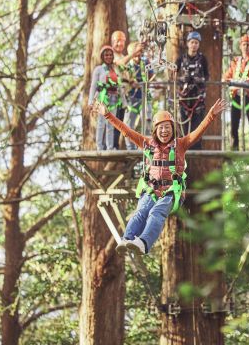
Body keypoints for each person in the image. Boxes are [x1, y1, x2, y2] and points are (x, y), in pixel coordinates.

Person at [92, 97, 227, 255]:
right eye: (161, 128)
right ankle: (127, 239)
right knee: (141, 212)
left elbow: (198, 132)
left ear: (173, 129)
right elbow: (126, 131)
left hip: (171, 191)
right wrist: (107, 114)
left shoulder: (181, 144)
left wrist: (212, 114)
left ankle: (143, 242)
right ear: (155, 131)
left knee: (156, 213)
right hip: (151, 189)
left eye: (167, 127)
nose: (164, 131)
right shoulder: (147, 143)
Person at [223, 33, 249, 151]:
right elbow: (226, 77)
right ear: (240, 46)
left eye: (248, 44)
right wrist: (231, 82)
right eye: (244, 44)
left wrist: (246, 82)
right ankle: (234, 151)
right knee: (234, 125)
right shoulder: (235, 62)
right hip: (236, 97)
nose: (246, 47)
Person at [175, 31, 209, 149]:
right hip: (184, 98)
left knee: (198, 126)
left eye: (196, 43)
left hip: (198, 98)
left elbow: (207, 76)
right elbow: (172, 75)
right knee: (184, 127)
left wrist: (200, 80)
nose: (194, 45)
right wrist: (181, 79)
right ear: (188, 43)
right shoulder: (181, 59)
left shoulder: (202, 59)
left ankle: (197, 149)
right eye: (192, 42)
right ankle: (184, 148)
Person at [123, 41, 155, 148]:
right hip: (132, 98)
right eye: (136, 51)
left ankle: (147, 146)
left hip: (145, 96)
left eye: (140, 51)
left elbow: (152, 74)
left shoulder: (145, 61)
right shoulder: (128, 64)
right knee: (129, 124)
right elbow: (120, 69)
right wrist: (131, 82)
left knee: (147, 121)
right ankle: (130, 148)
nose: (138, 53)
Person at [88, 45, 120, 150]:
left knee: (111, 124)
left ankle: (110, 147)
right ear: (102, 56)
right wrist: (90, 102)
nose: (109, 57)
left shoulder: (115, 69)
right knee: (101, 123)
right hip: (102, 98)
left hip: (114, 98)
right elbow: (93, 86)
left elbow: (119, 85)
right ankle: (99, 147)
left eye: (110, 55)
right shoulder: (99, 69)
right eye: (106, 55)